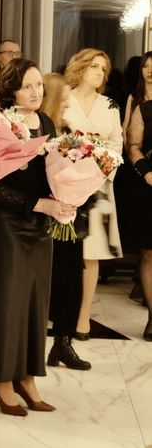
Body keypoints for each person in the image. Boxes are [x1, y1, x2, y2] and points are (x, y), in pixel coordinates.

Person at [0, 58, 75, 416]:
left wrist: (68, 197)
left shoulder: (45, 122)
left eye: (38, 85)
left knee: (34, 304)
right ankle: (1, 380)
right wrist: (37, 204)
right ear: (11, 89)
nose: (35, 91)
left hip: (40, 226)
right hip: (5, 225)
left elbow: (54, 171)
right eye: (27, 86)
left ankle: (28, 377)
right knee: (6, 304)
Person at [63, 49, 123, 340]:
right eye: (95, 66)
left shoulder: (110, 105)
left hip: (99, 186)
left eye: (104, 68)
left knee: (92, 254)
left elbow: (117, 144)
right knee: (65, 253)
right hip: (64, 185)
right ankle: (59, 310)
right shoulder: (64, 99)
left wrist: (101, 172)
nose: (100, 72)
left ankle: (83, 317)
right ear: (80, 68)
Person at [41, 72, 92, 370]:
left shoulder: (69, 133)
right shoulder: (39, 133)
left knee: (71, 282)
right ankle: (32, 346)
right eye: (62, 99)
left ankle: (63, 343)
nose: (66, 105)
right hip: (43, 221)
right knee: (48, 286)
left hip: (70, 219)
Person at [125, 51, 152, 341]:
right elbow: (133, 146)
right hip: (149, 184)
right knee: (147, 251)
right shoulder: (143, 109)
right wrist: (146, 173)